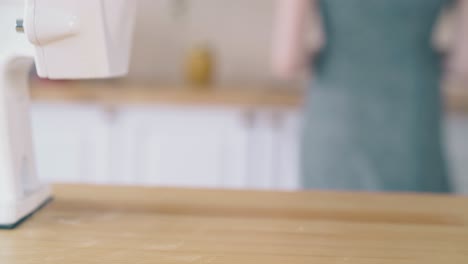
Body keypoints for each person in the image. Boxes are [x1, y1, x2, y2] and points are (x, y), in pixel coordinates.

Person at [272, 0, 468, 193]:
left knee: (332, 216)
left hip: (336, 112)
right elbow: (463, 62)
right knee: (419, 216)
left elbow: (287, 61)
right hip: (413, 111)